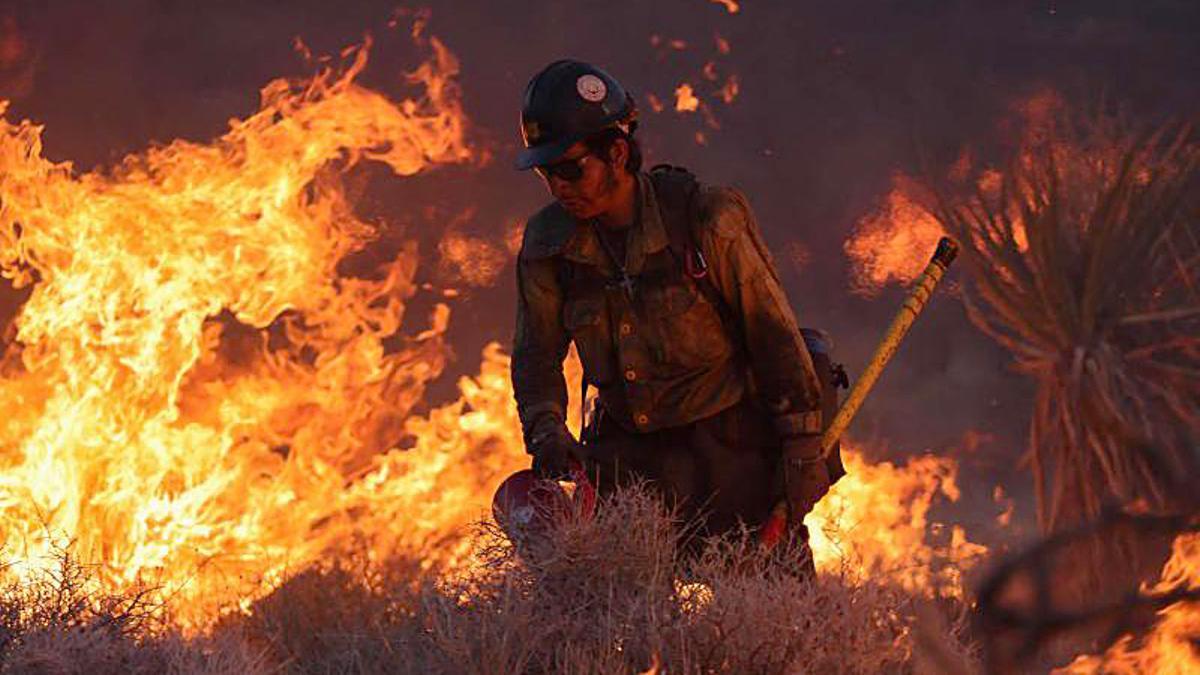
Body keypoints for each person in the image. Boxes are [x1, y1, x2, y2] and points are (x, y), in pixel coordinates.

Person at [510, 60, 834, 560]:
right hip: (631, 463)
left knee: (774, 620)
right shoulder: (548, 244)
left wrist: (801, 450)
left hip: (730, 455)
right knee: (606, 618)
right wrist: (548, 430)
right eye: (546, 173)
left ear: (617, 153)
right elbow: (535, 355)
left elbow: (774, 337)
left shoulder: (707, 219)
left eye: (571, 169)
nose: (559, 186)